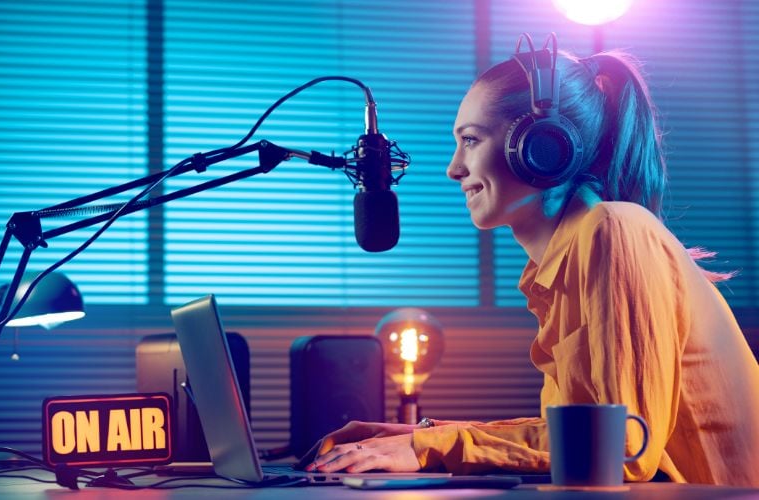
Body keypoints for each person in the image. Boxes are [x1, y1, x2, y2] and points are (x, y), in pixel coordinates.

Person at [300, 33, 759, 486]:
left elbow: (618, 450)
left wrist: (432, 449)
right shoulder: (567, 257)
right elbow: (580, 435)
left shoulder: (614, 230)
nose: (453, 168)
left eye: (471, 140)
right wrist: (421, 437)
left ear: (542, 147)